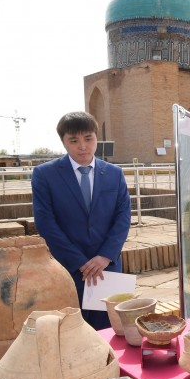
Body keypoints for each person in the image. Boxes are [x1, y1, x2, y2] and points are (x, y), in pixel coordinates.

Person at [32, 111, 131, 330]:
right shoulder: (44, 174)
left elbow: (123, 217)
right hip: (68, 268)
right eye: (74, 141)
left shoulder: (114, 174)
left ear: (97, 137)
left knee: (110, 330)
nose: (83, 146)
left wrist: (105, 255)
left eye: (88, 138)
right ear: (63, 142)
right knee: (71, 330)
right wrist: (80, 262)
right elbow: (45, 223)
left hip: (107, 267)